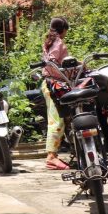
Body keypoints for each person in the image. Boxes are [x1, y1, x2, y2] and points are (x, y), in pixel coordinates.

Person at [42, 17, 70, 170]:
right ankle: (51, 156)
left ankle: (56, 153)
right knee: (56, 120)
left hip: (51, 83)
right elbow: (52, 62)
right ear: (63, 29)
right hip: (54, 84)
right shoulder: (58, 42)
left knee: (60, 118)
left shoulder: (49, 41)